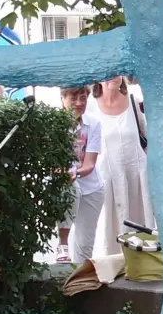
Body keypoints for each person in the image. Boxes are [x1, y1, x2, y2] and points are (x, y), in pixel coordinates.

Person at [86, 77, 153, 252]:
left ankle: (143, 261)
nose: (112, 77)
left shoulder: (133, 100)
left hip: (137, 174)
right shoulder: (91, 106)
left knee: (139, 218)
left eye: (116, 71)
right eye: (107, 72)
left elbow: (146, 135)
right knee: (110, 220)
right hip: (108, 174)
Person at [55, 86, 103, 266]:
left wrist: (74, 172)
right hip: (64, 184)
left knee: (85, 245)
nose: (79, 103)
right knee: (69, 188)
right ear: (62, 98)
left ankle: (80, 285)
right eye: (73, 98)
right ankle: (62, 244)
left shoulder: (94, 123)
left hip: (92, 187)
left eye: (83, 98)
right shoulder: (53, 123)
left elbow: (90, 163)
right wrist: (61, 173)